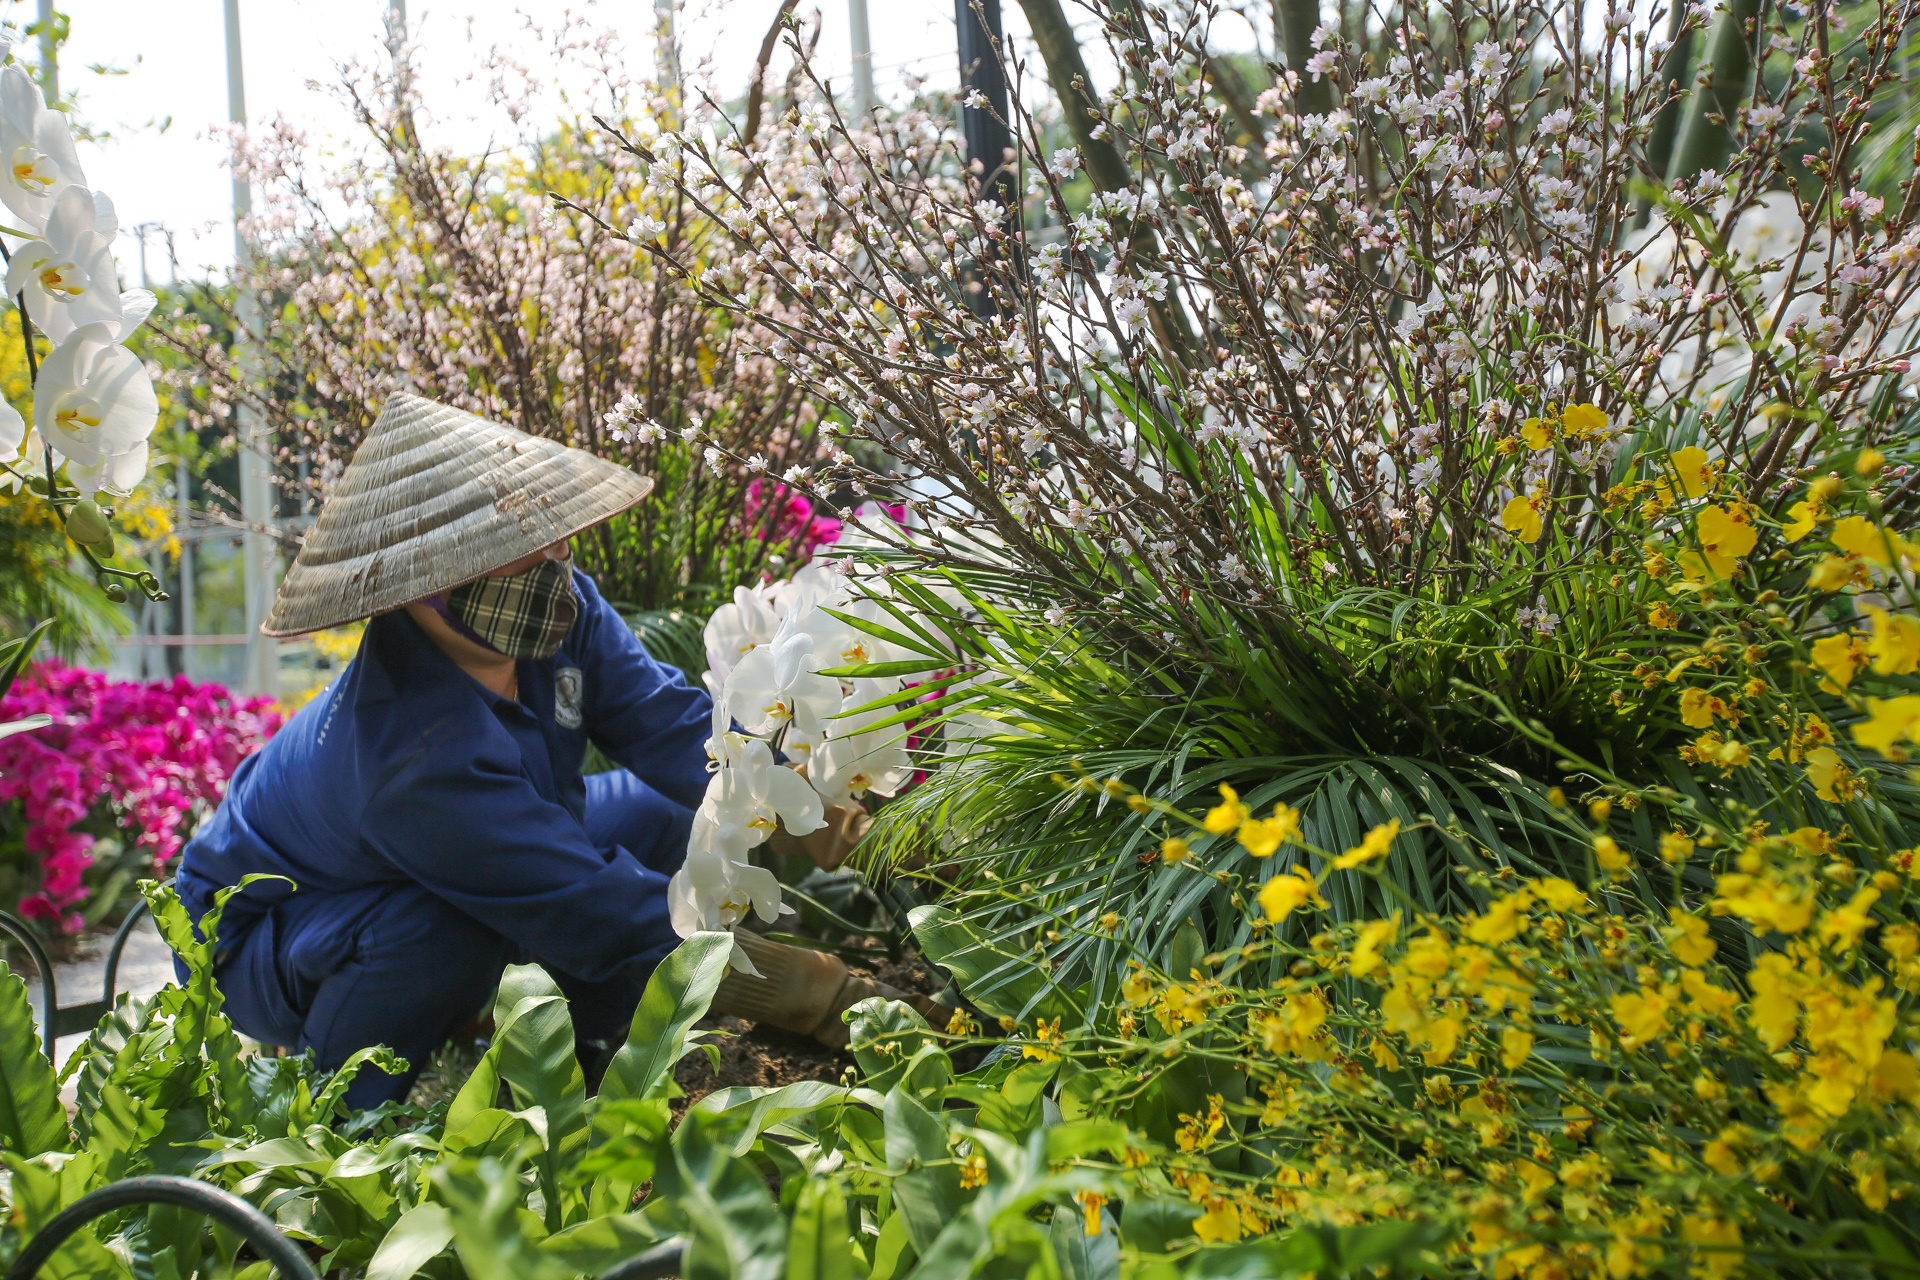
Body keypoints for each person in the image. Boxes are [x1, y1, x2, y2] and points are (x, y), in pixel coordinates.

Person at [174, 394, 926, 1107]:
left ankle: (572, 1022)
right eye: (508, 546)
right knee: (441, 931)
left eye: (543, 526)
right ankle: (343, 1115)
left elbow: (676, 731)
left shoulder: (554, 610)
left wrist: (861, 832)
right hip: (267, 931)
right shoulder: (411, 751)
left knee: (677, 818)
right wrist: (823, 996)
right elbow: (594, 908)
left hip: (459, 853)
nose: (550, 556)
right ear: (422, 584)